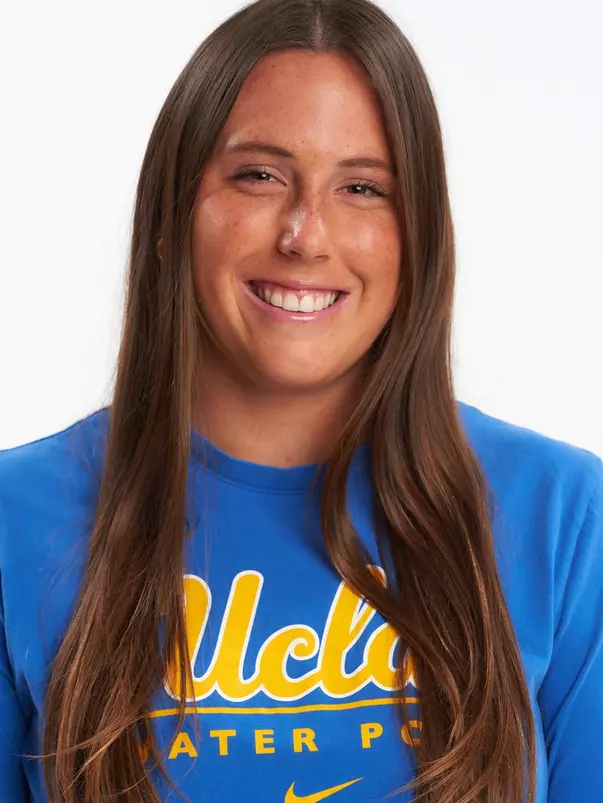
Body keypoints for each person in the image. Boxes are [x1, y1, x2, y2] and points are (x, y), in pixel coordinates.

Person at [1, 0, 602, 800]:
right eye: (258, 174)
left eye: (362, 186)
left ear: (418, 235)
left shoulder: (562, 515)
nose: (305, 233)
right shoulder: (15, 516)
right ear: (171, 212)